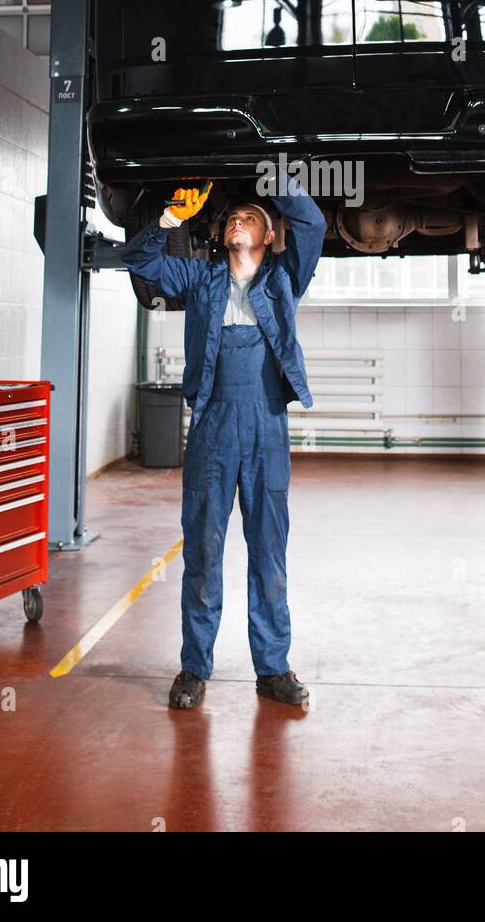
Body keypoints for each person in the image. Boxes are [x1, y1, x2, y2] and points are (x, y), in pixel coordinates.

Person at [121, 171, 327, 709]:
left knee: (268, 552)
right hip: (213, 427)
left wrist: (275, 176)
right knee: (204, 552)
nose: (241, 219)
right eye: (235, 216)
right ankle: (194, 669)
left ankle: (273, 667)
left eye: (253, 218)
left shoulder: (284, 279)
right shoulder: (201, 280)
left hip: (266, 427)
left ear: (267, 238)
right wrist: (168, 220)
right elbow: (138, 260)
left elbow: (313, 221)